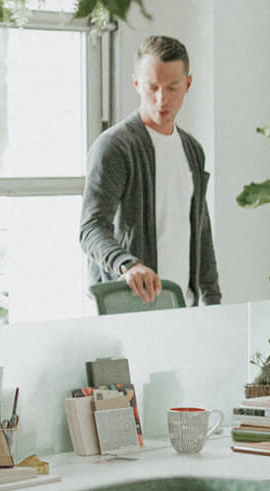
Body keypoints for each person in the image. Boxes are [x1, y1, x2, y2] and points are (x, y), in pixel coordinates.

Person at [79, 35, 222, 307]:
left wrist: (212, 301)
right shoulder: (114, 147)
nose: (161, 99)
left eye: (172, 88)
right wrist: (127, 265)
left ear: (187, 84)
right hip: (130, 308)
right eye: (151, 87)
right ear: (136, 83)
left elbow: (201, 232)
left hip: (183, 307)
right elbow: (91, 228)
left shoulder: (193, 150)